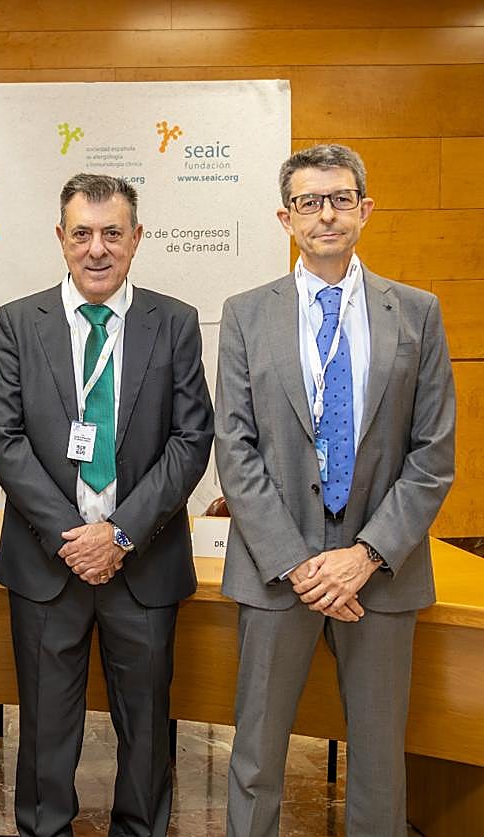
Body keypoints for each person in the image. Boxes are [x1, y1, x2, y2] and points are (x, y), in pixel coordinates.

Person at [216, 144, 456, 837]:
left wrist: (366, 554)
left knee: (380, 759)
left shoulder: (417, 312)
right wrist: (296, 561)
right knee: (257, 753)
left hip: (380, 573)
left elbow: (433, 454)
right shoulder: (245, 313)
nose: (326, 213)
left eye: (340, 198)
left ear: (365, 209)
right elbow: (235, 447)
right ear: (285, 217)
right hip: (274, 570)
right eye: (310, 201)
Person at [0, 173, 214, 837]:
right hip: (46, 565)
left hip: (142, 563)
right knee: (46, 730)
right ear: (60, 238)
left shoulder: (172, 321)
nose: (97, 248)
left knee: (146, 730)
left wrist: (119, 533)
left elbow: (190, 439)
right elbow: (5, 440)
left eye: (113, 232)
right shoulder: (18, 322)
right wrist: (72, 536)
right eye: (82, 233)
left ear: (136, 238)